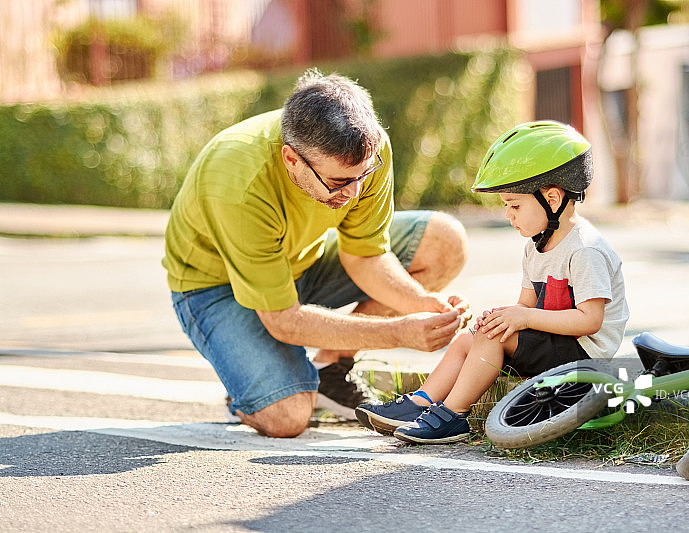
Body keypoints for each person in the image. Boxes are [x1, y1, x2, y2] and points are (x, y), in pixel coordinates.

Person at [163, 68, 470, 438]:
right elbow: (284, 320)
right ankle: (252, 386)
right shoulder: (238, 183)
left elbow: (365, 256)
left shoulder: (366, 151)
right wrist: (399, 333)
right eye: (340, 182)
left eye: (363, 176)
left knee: (444, 240)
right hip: (215, 288)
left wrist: (421, 304)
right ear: (292, 159)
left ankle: (330, 370)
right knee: (286, 417)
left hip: (302, 261)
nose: (355, 192)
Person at [356, 121, 629, 444]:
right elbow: (526, 306)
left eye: (514, 206)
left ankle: (453, 416)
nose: (508, 215)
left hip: (583, 355)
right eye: (506, 207)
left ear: (553, 199)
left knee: (492, 338)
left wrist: (521, 319)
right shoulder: (537, 245)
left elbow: (590, 320)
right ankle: (421, 404)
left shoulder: (584, 250)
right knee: (469, 338)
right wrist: (505, 315)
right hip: (556, 342)